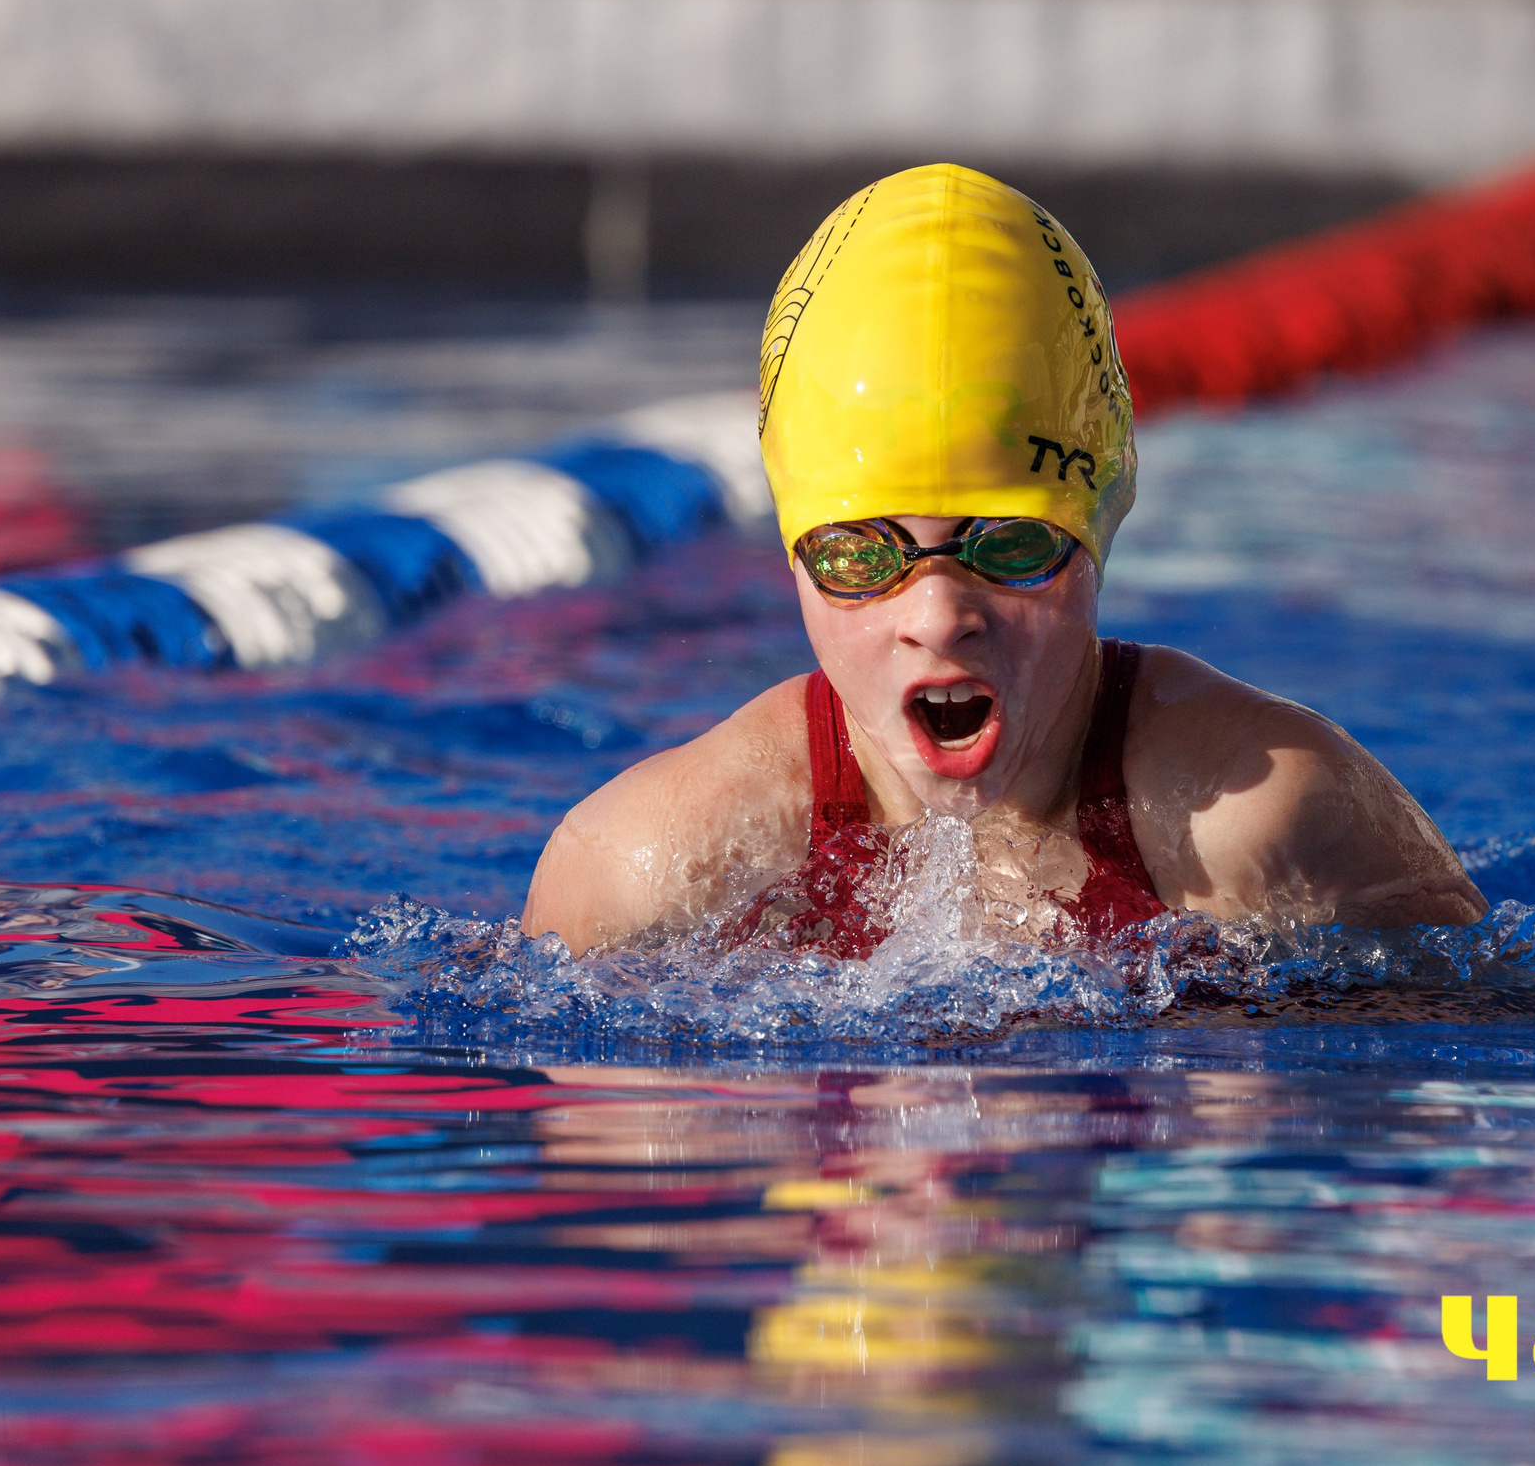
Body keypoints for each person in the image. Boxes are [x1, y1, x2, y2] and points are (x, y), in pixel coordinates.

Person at [522, 164, 1485, 955]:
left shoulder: (1262, 822)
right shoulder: (645, 873)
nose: (937, 617)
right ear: (792, 563)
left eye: (1013, 546)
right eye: (859, 556)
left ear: (1097, 529)